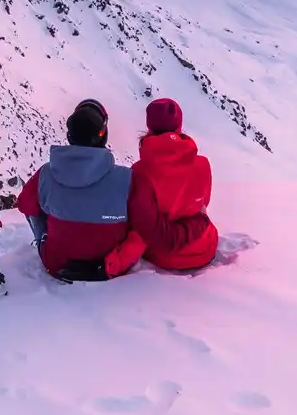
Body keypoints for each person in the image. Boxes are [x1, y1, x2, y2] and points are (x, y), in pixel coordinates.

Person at [16, 99, 212, 281]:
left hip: (57, 264)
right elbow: (153, 232)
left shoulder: (45, 174)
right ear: (103, 134)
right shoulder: (128, 179)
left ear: (69, 136)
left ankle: (47, 240)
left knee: (37, 206)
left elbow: (25, 205)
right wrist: (199, 223)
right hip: (108, 263)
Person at [105, 98, 219, 276]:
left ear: (149, 127)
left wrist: (113, 264)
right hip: (205, 247)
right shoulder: (203, 164)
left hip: (165, 256)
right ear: (179, 125)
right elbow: (202, 206)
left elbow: (143, 229)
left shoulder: (140, 172)